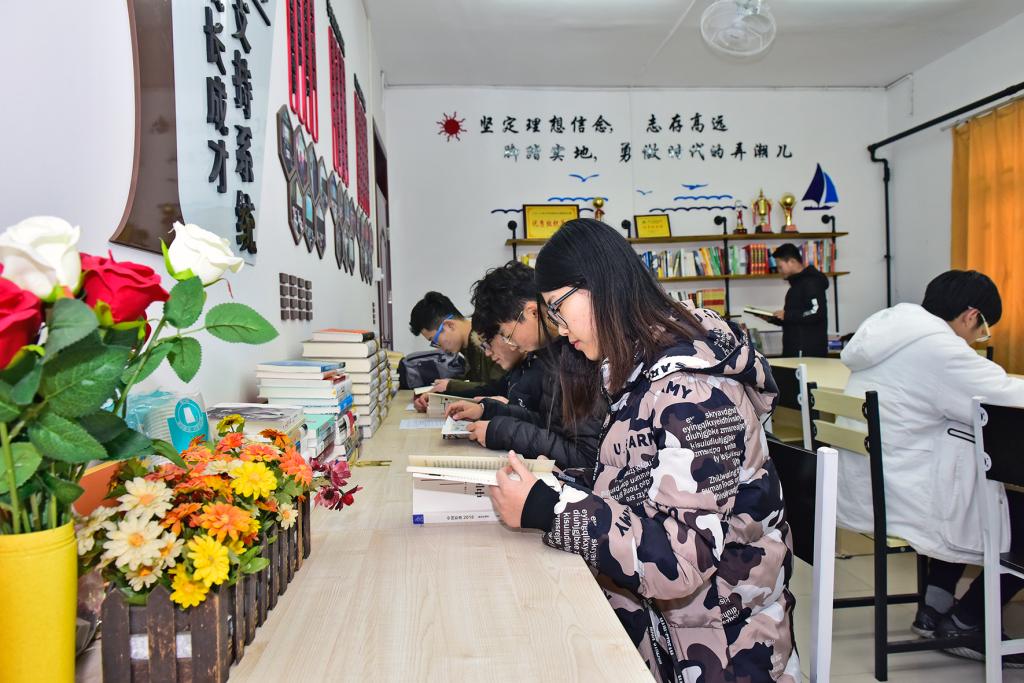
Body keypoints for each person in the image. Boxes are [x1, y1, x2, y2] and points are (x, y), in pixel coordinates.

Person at [487, 219, 798, 682]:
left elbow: (683, 559)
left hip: (720, 646)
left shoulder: (693, 391)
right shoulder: (638, 367)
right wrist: (556, 489)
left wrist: (553, 511)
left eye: (558, 308)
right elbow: (636, 483)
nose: (559, 328)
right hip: (665, 624)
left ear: (598, 285)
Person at [837, 270, 1024, 663]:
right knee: (1013, 510)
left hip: (875, 485)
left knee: (977, 490)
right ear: (972, 316)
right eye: (983, 330)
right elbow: (1003, 397)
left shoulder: (892, 334)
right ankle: (969, 621)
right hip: (907, 491)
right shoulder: (939, 349)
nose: (978, 339)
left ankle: (934, 608)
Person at [447, 261, 601, 470]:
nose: (509, 343)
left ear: (532, 313)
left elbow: (586, 459)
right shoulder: (550, 354)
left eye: (506, 334)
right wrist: (489, 411)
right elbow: (549, 425)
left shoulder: (577, 357)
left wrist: (502, 431)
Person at [408, 291, 504, 411]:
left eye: (434, 340)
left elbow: (498, 388)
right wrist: (436, 396)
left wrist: (451, 386)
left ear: (449, 325)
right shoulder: (467, 347)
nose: (439, 347)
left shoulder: (488, 339)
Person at [763, 243, 829, 357]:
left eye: (780, 267)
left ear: (792, 262)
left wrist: (787, 315)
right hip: (794, 350)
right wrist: (774, 319)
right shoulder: (795, 285)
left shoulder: (812, 282)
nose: (779, 270)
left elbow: (817, 312)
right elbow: (797, 318)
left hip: (807, 353)